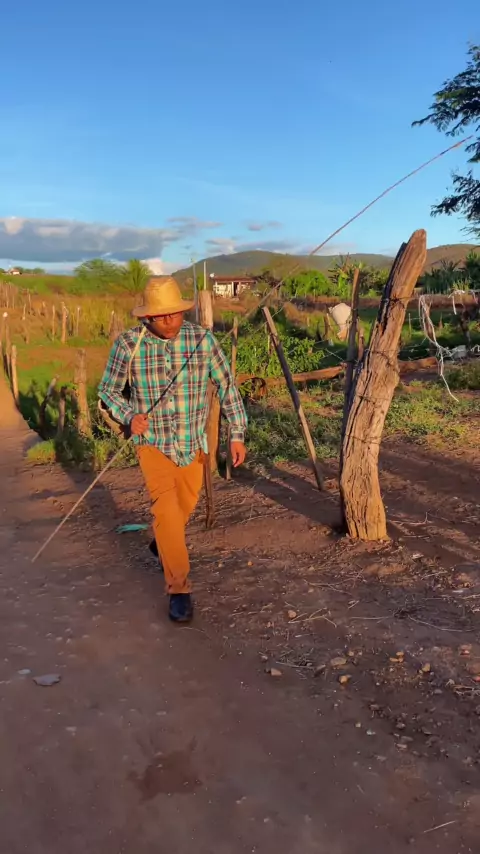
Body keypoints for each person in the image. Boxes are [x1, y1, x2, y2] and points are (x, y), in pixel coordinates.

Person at [98, 277, 247, 623]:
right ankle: (179, 590)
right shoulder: (128, 345)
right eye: (160, 316)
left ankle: (162, 543)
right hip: (153, 445)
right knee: (166, 511)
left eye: (174, 314)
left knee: (184, 507)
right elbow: (108, 391)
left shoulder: (202, 340)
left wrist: (237, 433)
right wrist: (129, 415)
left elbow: (227, 386)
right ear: (147, 317)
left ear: (183, 311)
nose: (168, 321)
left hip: (193, 443)